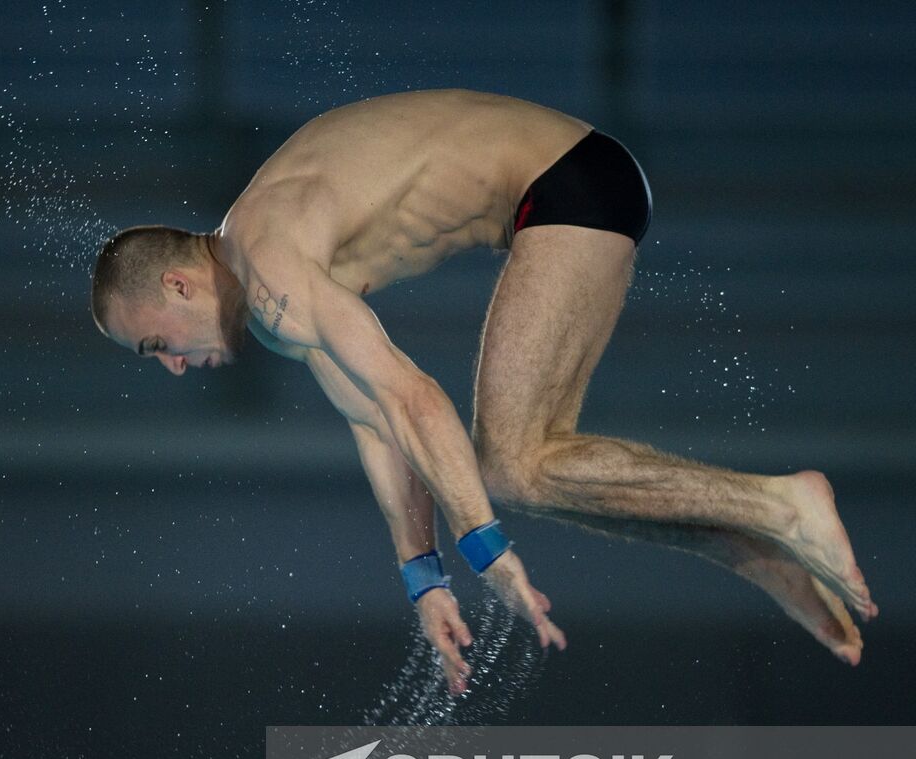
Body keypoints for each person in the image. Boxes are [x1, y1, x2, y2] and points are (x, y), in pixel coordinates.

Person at [88, 89, 874, 694]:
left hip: (566, 183)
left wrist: (485, 546)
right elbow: (380, 423)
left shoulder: (271, 275)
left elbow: (417, 398)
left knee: (510, 468)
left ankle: (784, 505)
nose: (173, 366)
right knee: (526, 470)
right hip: (565, 187)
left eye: (155, 343)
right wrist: (422, 577)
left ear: (179, 284)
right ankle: (759, 550)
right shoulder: (265, 277)